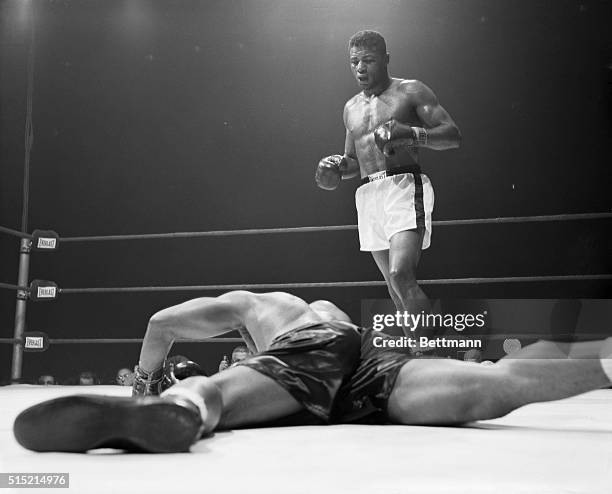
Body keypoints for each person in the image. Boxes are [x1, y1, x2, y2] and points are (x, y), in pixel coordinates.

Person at [13, 291, 612, 454]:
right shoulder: (322, 322)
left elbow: (161, 322)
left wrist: (147, 379)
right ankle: (607, 367)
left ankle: (166, 411)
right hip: (356, 370)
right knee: (489, 389)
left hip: (318, 352)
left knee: (213, 394)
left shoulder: (261, 306)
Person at [316, 30, 461, 350]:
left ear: (386, 59)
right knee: (394, 290)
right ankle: (414, 359)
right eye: (354, 62)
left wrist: (410, 133)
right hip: (369, 194)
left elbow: (452, 135)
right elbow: (353, 162)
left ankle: (432, 356)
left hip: (403, 184)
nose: (360, 68)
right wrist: (333, 169)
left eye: (367, 60)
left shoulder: (410, 91)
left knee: (400, 274)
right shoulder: (350, 108)